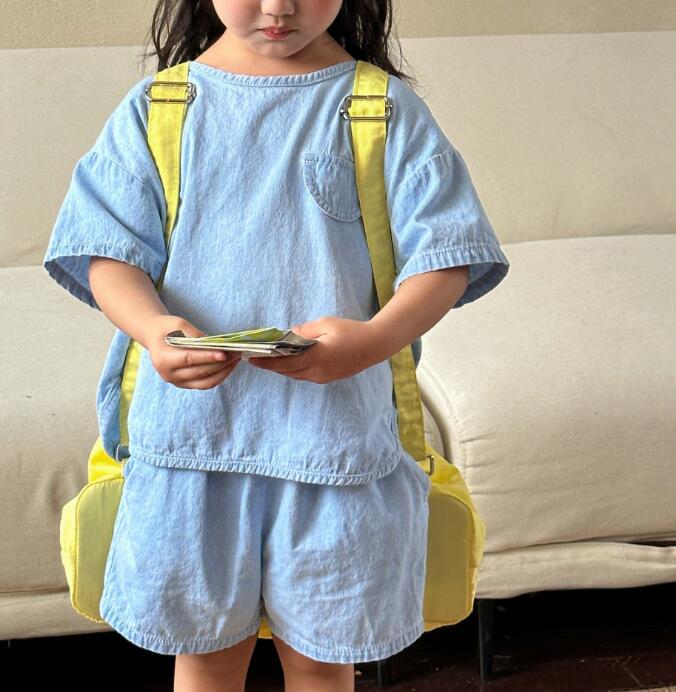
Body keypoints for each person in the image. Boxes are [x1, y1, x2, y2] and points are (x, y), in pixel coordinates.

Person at [43, 1, 510, 690]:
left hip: (335, 449)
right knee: (205, 655)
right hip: (190, 447)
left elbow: (448, 257)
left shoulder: (382, 109)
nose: (278, 6)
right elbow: (107, 252)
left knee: (323, 660)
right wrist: (154, 330)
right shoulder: (159, 107)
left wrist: (374, 340)